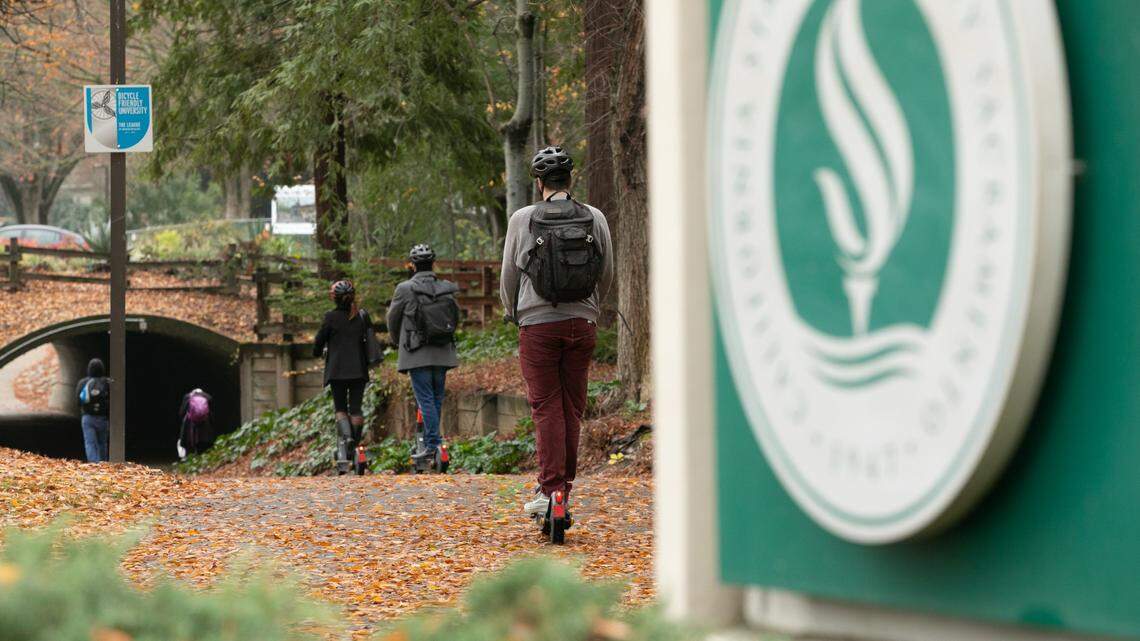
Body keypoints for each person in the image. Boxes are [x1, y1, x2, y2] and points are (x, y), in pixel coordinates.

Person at [499, 145, 614, 518]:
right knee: (572, 408)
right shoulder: (594, 217)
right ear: (570, 179)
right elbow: (606, 271)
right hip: (583, 324)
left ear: (538, 183)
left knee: (546, 407)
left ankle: (551, 492)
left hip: (537, 325)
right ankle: (562, 489)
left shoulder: (523, 218)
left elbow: (509, 276)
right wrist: (592, 308)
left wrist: (511, 311)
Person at [386, 244, 460, 461]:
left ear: (412, 264)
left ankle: (433, 444)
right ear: (433, 263)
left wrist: (396, 342)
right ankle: (434, 443)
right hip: (443, 350)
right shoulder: (445, 287)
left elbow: (393, 319)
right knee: (436, 397)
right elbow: (455, 317)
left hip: (416, 351)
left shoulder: (404, 288)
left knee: (425, 398)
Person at [313, 279, 372, 475]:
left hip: (337, 371)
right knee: (356, 408)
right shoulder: (362, 316)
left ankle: (346, 444)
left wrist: (317, 351)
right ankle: (354, 445)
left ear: (334, 298)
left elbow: (318, 342)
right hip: (358, 370)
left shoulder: (330, 318)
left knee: (340, 408)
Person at [75, 358, 110, 463]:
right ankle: (103, 464)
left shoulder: (83, 382)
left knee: (90, 442)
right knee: (102, 442)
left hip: (88, 417)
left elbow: (78, 400)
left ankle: (94, 464)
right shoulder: (107, 382)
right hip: (103, 418)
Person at [178, 388, 213, 459]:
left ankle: (188, 457)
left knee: (187, 440)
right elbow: (211, 411)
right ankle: (202, 457)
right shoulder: (208, 397)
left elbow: (182, 411)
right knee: (203, 441)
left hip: (190, 423)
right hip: (204, 423)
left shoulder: (188, 397)